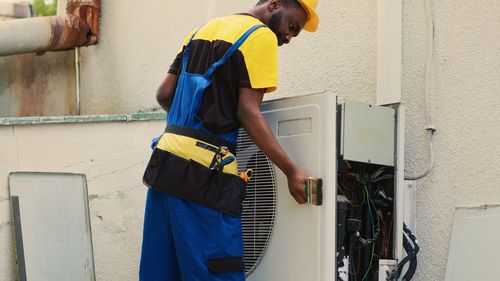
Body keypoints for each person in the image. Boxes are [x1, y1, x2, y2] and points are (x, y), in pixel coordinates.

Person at [140, 0, 319, 280]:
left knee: (163, 271)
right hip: (205, 176)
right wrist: (291, 170)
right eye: (291, 26)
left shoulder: (203, 30)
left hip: (164, 165)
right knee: (217, 271)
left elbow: (164, 94)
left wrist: (194, 123)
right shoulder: (259, 35)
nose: (287, 37)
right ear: (273, 4)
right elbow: (248, 112)